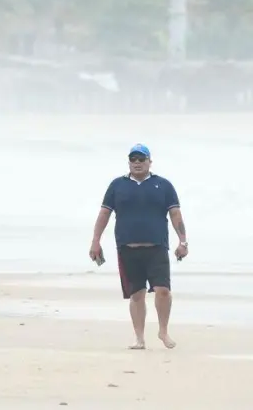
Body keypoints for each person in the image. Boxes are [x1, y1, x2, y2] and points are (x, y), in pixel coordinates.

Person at [88, 143, 187, 350]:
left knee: (163, 291)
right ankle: (139, 338)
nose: (137, 163)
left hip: (157, 247)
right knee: (136, 295)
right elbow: (104, 214)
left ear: (150, 162)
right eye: (133, 159)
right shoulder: (117, 185)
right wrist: (96, 241)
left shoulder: (163, 185)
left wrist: (183, 241)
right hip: (127, 248)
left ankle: (163, 331)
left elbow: (175, 214)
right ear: (129, 162)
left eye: (142, 159)